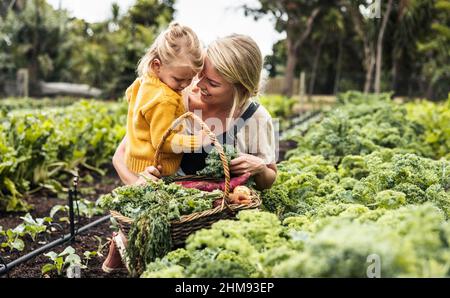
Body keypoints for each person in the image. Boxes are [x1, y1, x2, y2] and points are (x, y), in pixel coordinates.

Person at [102, 34, 278, 273]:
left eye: (213, 83)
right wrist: (139, 184)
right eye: (201, 74)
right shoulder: (176, 98)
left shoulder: (256, 119)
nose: (199, 85)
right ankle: (124, 242)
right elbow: (119, 156)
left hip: (222, 215)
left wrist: (259, 167)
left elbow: (269, 179)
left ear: (241, 87)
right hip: (176, 218)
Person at [123, 21, 204, 180]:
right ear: (157, 65)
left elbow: (130, 95)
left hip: (136, 159)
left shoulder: (145, 81)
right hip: (154, 168)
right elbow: (163, 142)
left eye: (190, 78)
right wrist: (196, 142)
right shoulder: (165, 99)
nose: (185, 85)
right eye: (179, 79)